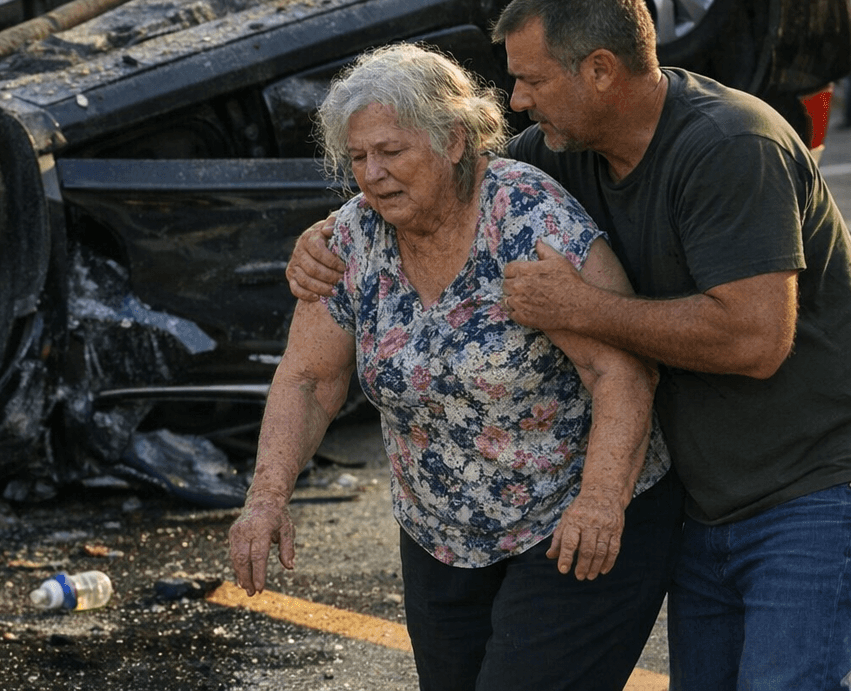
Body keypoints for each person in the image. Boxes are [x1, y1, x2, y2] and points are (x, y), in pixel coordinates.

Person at [288, 0, 851, 689]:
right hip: (707, 499)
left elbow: (755, 340)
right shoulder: (564, 150)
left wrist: (584, 308)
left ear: (601, 71)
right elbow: (446, 176)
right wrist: (324, 236)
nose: (517, 100)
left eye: (532, 80)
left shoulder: (731, 145)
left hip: (809, 490)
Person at [229, 43, 680, 691]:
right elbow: (309, 379)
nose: (373, 174)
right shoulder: (352, 238)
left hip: (573, 518)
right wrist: (266, 500)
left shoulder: (525, 217)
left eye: (392, 151)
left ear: (454, 141)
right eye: (358, 158)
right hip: (439, 537)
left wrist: (601, 502)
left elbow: (622, 371)